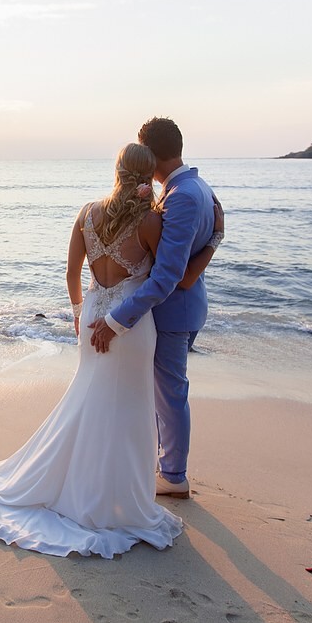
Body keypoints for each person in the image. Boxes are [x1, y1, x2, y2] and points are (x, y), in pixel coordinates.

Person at [0, 141, 223, 558]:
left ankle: (80, 486)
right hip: (130, 326)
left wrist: (78, 313)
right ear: (148, 174)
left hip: (91, 319)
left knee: (91, 400)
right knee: (130, 408)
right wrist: (213, 240)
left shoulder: (87, 212)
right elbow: (169, 279)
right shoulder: (150, 222)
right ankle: (117, 495)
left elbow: (71, 272)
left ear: (117, 168)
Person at [88, 117, 218, 500]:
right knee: (165, 392)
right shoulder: (193, 186)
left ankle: (173, 476)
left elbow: (167, 277)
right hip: (185, 308)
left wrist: (115, 320)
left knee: (170, 394)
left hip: (173, 312)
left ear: (151, 154)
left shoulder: (180, 197)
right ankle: (164, 466)